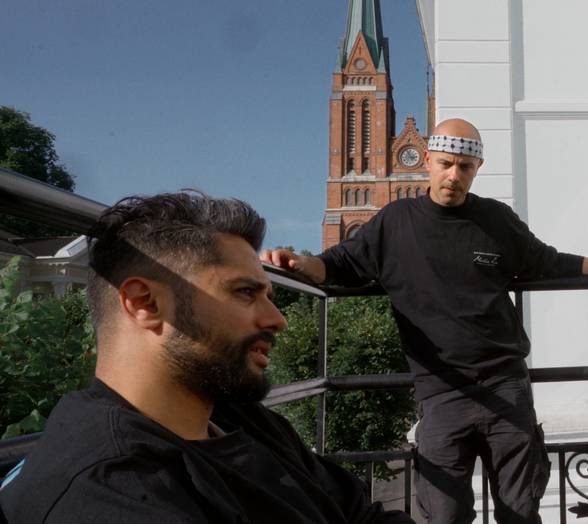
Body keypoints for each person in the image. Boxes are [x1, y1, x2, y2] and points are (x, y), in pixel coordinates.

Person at [262, 118, 588, 523]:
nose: (453, 176)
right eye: (445, 164)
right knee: (445, 515)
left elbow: (552, 262)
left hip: (506, 385)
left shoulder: (496, 220)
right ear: (428, 160)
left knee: (520, 512)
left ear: (477, 168)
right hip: (440, 393)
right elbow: (337, 265)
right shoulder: (394, 222)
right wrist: (296, 263)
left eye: (464, 167)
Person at [0, 192, 413, 524]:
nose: (278, 319)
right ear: (144, 303)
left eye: (269, 295)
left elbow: (361, 514)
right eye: (245, 292)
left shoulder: (237, 417)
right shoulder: (111, 489)